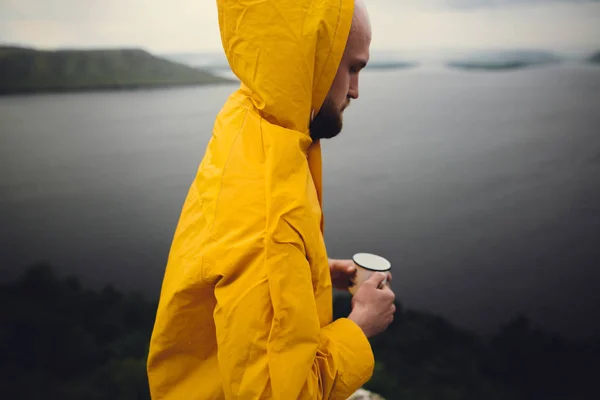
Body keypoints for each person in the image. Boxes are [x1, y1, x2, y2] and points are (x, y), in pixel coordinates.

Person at [147, 0, 396, 399]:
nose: (355, 90)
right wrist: (361, 325)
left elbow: (232, 263)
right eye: (351, 67)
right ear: (313, 54)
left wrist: (310, 270)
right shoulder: (270, 217)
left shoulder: (250, 121)